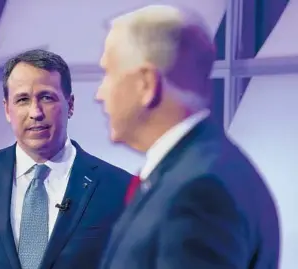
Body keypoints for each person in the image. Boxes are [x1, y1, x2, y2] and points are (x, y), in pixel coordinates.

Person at [96, 5, 280, 269]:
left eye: (108, 73)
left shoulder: (200, 190)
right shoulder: (194, 170)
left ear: (146, 83)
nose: (99, 94)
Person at [0, 49, 132, 269]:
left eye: (46, 98)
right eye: (22, 100)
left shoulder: (118, 187)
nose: (35, 112)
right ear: (7, 110)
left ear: (71, 105)